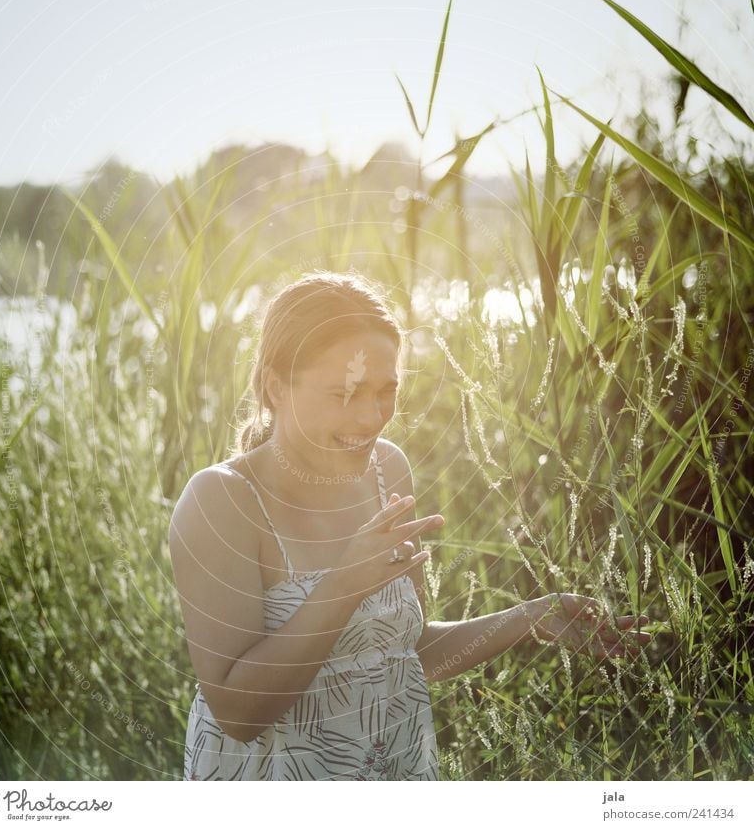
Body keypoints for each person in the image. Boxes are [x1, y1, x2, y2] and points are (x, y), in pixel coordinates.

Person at [169, 270, 650, 781]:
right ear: (275, 387)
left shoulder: (387, 470)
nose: (371, 417)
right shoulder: (221, 500)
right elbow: (239, 714)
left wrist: (533, 618)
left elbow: (404, 652)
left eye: (386, 390)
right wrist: (345, 584)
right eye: (344, 394)